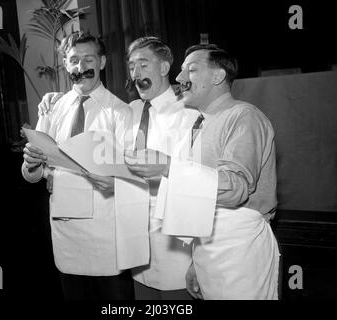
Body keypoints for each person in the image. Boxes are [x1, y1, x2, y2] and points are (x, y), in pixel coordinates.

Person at [125, 43, 280, 300]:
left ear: (218, 76)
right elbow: (198, 196)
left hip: (239, 247)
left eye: (191, 70)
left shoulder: (244, 116)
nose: (179, 78)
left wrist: (167, 167)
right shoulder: (202, 124)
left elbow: (235, 189)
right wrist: (196, 260)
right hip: (206, 244)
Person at [21, 31, 135, 300]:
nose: (81, 68)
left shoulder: (121, 112)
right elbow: (33, 175)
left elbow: (129, 177)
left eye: (88, 59)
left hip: (105, 233)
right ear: (64, 64)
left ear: (103, 62)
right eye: (74, 60)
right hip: (66, 231)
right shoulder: (52, 107)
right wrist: (32, 165)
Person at [120, 36, 199, 300]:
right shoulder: (129, 111)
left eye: (143, 65)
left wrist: (198, 257)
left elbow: (199, 186)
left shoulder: (189, 114)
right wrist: (51, 100)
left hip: (175, 244)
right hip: (137, 244)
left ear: (165, 68)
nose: (135, 74)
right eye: (132, 66)